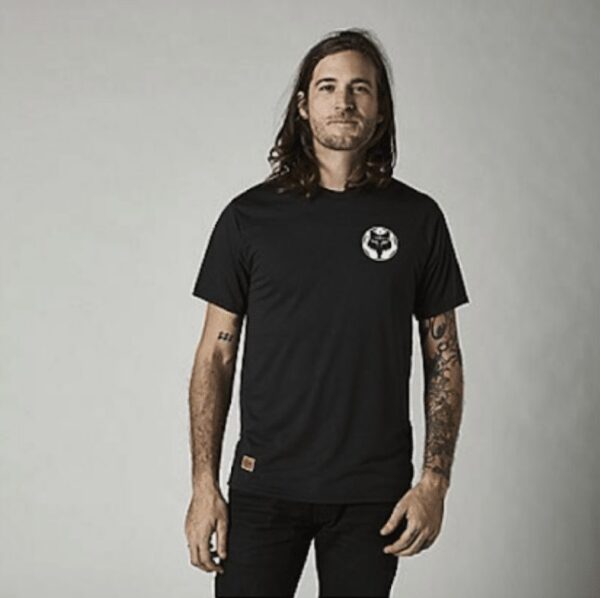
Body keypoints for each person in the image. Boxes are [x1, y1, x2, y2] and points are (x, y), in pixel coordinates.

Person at [185, 27, 470, 598]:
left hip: (373, 496)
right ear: (303, 106)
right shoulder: (248, 218)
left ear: (380, 109)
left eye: (360, 88)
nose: (344, 101)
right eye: (327, 87)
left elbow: (444, 358)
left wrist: (434, 482)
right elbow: (215, 358)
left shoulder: (418, 219)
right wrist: (203, 485)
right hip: (265, 485)